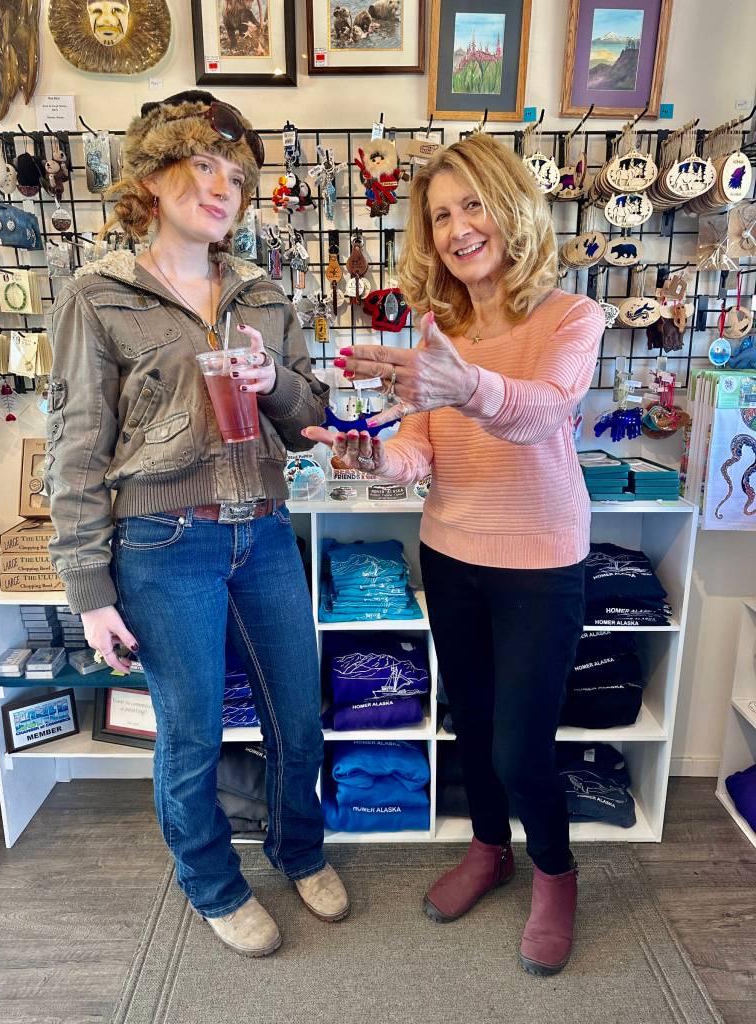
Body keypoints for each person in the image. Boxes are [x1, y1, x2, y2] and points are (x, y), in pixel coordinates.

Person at [45, 91, 348, 958]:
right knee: (192, 734)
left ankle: (299, 850)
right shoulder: (97, 296)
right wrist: (88, 589)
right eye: (203, 166)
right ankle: (212, 884)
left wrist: (274, 386)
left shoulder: (260, 290)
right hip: (163, 545)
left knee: (300, 712)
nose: (222, 188)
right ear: (155, 172)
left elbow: (309, 413)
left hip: (263, 532)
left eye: (237, 177)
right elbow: (75, 447)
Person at [304, 133, 605, 976]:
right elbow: (417, 453)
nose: (457, 227)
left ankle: (555, 871)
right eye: (440, 215)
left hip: (542, 558)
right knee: (471, 721)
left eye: (472, 203)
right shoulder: (442, 330)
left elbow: (541, 412)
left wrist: (462, 381)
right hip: (452, 550)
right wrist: (370, 459)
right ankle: (489, 848)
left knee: (521, 747)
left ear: (511, 206)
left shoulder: (572, 317)